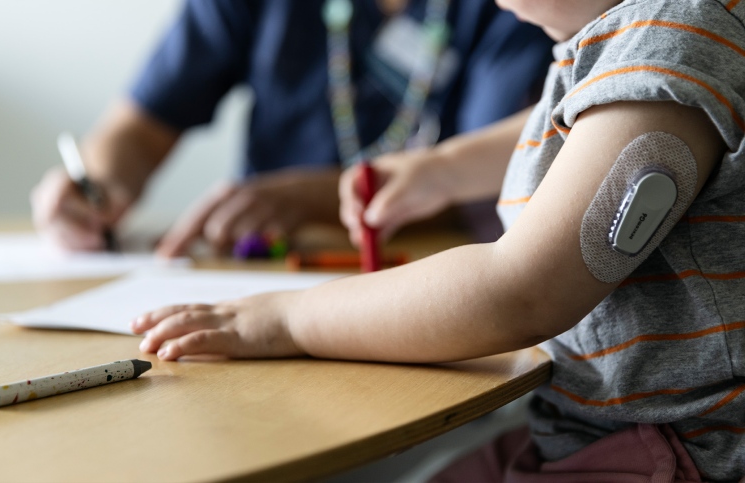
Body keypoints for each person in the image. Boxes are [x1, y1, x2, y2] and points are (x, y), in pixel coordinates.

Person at [131, 0, 745, 480]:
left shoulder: (672, 48)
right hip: (598, 429)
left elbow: (518, 292)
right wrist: (442, 168)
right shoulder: (635, 42)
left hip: (675, 451)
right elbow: (581, 125)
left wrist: (284, 320)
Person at [30, 0, 553, 256]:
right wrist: (96, 184)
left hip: (414, 273)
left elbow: (491, 183)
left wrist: (315, 199)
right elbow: (140, 127)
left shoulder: (523, 6)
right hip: (257, 271)